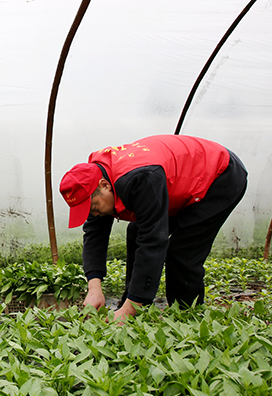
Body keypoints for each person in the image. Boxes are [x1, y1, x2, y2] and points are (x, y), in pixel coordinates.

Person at [59, 134, 247, 321]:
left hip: (219, 175)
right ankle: (137, 307)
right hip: (178, 181)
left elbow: (153, 240)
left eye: (94, 207)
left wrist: (129, 310)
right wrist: (94, 287)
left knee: (182, 252)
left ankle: (187, 316)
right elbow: (94, 233)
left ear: (105, 185)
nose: (94, 214)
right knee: (136, 230)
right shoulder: (94, 179)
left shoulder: (139, 178)